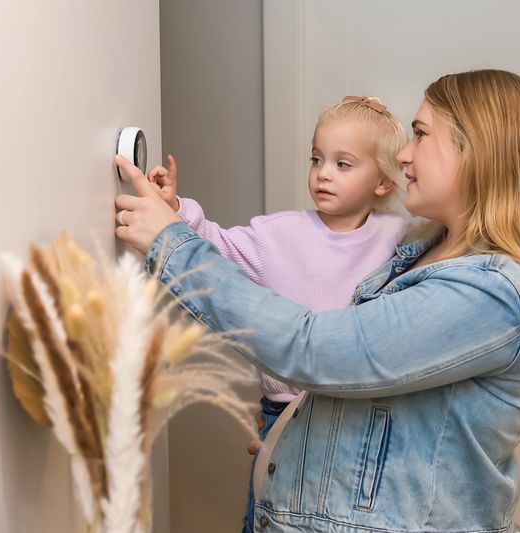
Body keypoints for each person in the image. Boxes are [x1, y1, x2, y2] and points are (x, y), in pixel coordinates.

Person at [114, 69, 520, 533]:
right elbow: (376, 399)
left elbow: (320, 351)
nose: (404, 156)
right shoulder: (421, 252)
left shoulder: (493, 291)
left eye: (421, 135)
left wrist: (173, 244)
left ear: (477, 152)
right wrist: (295, 439)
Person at [143, 96, 410, 532]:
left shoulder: (400, 239)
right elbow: (214, 250)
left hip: (362, 421)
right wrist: (174, 211)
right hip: (283, 418)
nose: (323, 173)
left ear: (382, 182)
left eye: (344, 164)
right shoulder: (277, 234)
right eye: (317, 158)